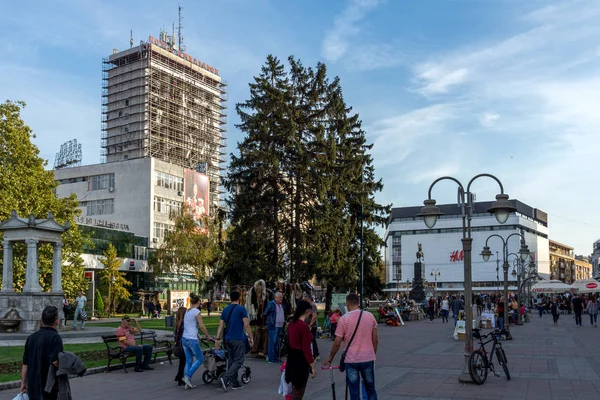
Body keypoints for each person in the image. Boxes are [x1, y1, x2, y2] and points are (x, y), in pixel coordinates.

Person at [324, 293, 378, 400]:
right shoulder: (370, 316)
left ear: (347, 304)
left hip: (351, 359)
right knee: (370, 388)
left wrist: (330, 357)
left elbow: (337, 342)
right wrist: (372, 354)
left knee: (354, 391)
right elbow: (375, 340)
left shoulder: (343, 319)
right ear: (359, 303)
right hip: (367, 358)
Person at [21, 305, 64, 400]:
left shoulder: (31, 337)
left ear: (42, 320)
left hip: (32, 384)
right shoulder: (55, 337)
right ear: (56, 321)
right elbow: (55, 361)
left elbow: (25, 363)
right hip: (48, 385)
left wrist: (23, 382)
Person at [216, 291, 254, 391]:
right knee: (239, 360)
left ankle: (235, 383)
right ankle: (225, 378)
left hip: (227, 339)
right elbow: (246, 324)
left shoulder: (225, 310)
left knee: (232, 361)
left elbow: (220, 325)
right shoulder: (242, 309)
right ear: (239, 298)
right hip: (238, 338)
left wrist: (217, 338)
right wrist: (251, 337)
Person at [284, 300, 316, 399]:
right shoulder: (303, 327)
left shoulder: (291, 324)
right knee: (299, 390)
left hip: (292, 358)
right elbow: (306, 349)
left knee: (295, 389)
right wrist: (313, 366)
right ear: (306, 311)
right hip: (301, 361)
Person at [181, 293, 212, 389]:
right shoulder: (196, 311)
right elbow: (202, 326)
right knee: (200, 359)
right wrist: (208, 336)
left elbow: (190, 325)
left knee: (189, 361)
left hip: (184, 338)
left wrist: (197, 334)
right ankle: (187, 376)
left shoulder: (187, 311)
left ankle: (187, 383)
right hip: (192, 339)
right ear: (198, 302)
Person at [264, 292, 288, 364]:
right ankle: (271, 358)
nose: (281, 299)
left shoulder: (281, 305)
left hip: (280, 326)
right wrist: (269, 322)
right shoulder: (271, 304)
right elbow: (265, 313)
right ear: (275, 298)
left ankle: (275, 357)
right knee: (272, 342)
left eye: (282, 297)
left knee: (277, 343)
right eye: (280, 297)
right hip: (273, 326)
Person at [173, 306, 187, 386]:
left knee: (182, 362)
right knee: (185, 362)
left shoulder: (177, 323)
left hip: (178, 345)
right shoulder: (184, 323)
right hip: (183, 345)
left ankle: (179, 376)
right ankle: (181, 377)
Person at [304, 295, 319, 360]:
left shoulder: (312, 305)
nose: (305, 301)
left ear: (310, 299)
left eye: (306, 300)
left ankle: (315, 354)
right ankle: (314, 354)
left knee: (312, 340)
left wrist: (310, 325)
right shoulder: (309, 306)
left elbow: (314, 315)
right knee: (311, 340)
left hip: (311, 326)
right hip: (309, 325)